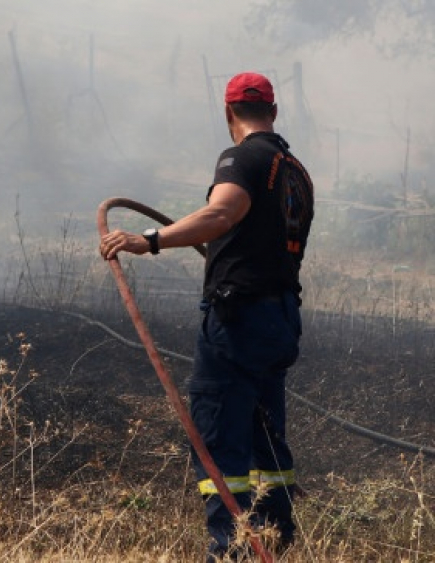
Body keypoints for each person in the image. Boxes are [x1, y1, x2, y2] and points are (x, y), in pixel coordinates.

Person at [99, 72, 314, 561]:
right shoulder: (295, 169)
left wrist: (146, 240)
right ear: (275, 112)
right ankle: (274, 537)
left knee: (218, 436)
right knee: (265, 433)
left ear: (227, 113)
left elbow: (222, 214)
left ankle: (232, 549)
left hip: (239, 318)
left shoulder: (241, 158)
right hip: (280, 317)